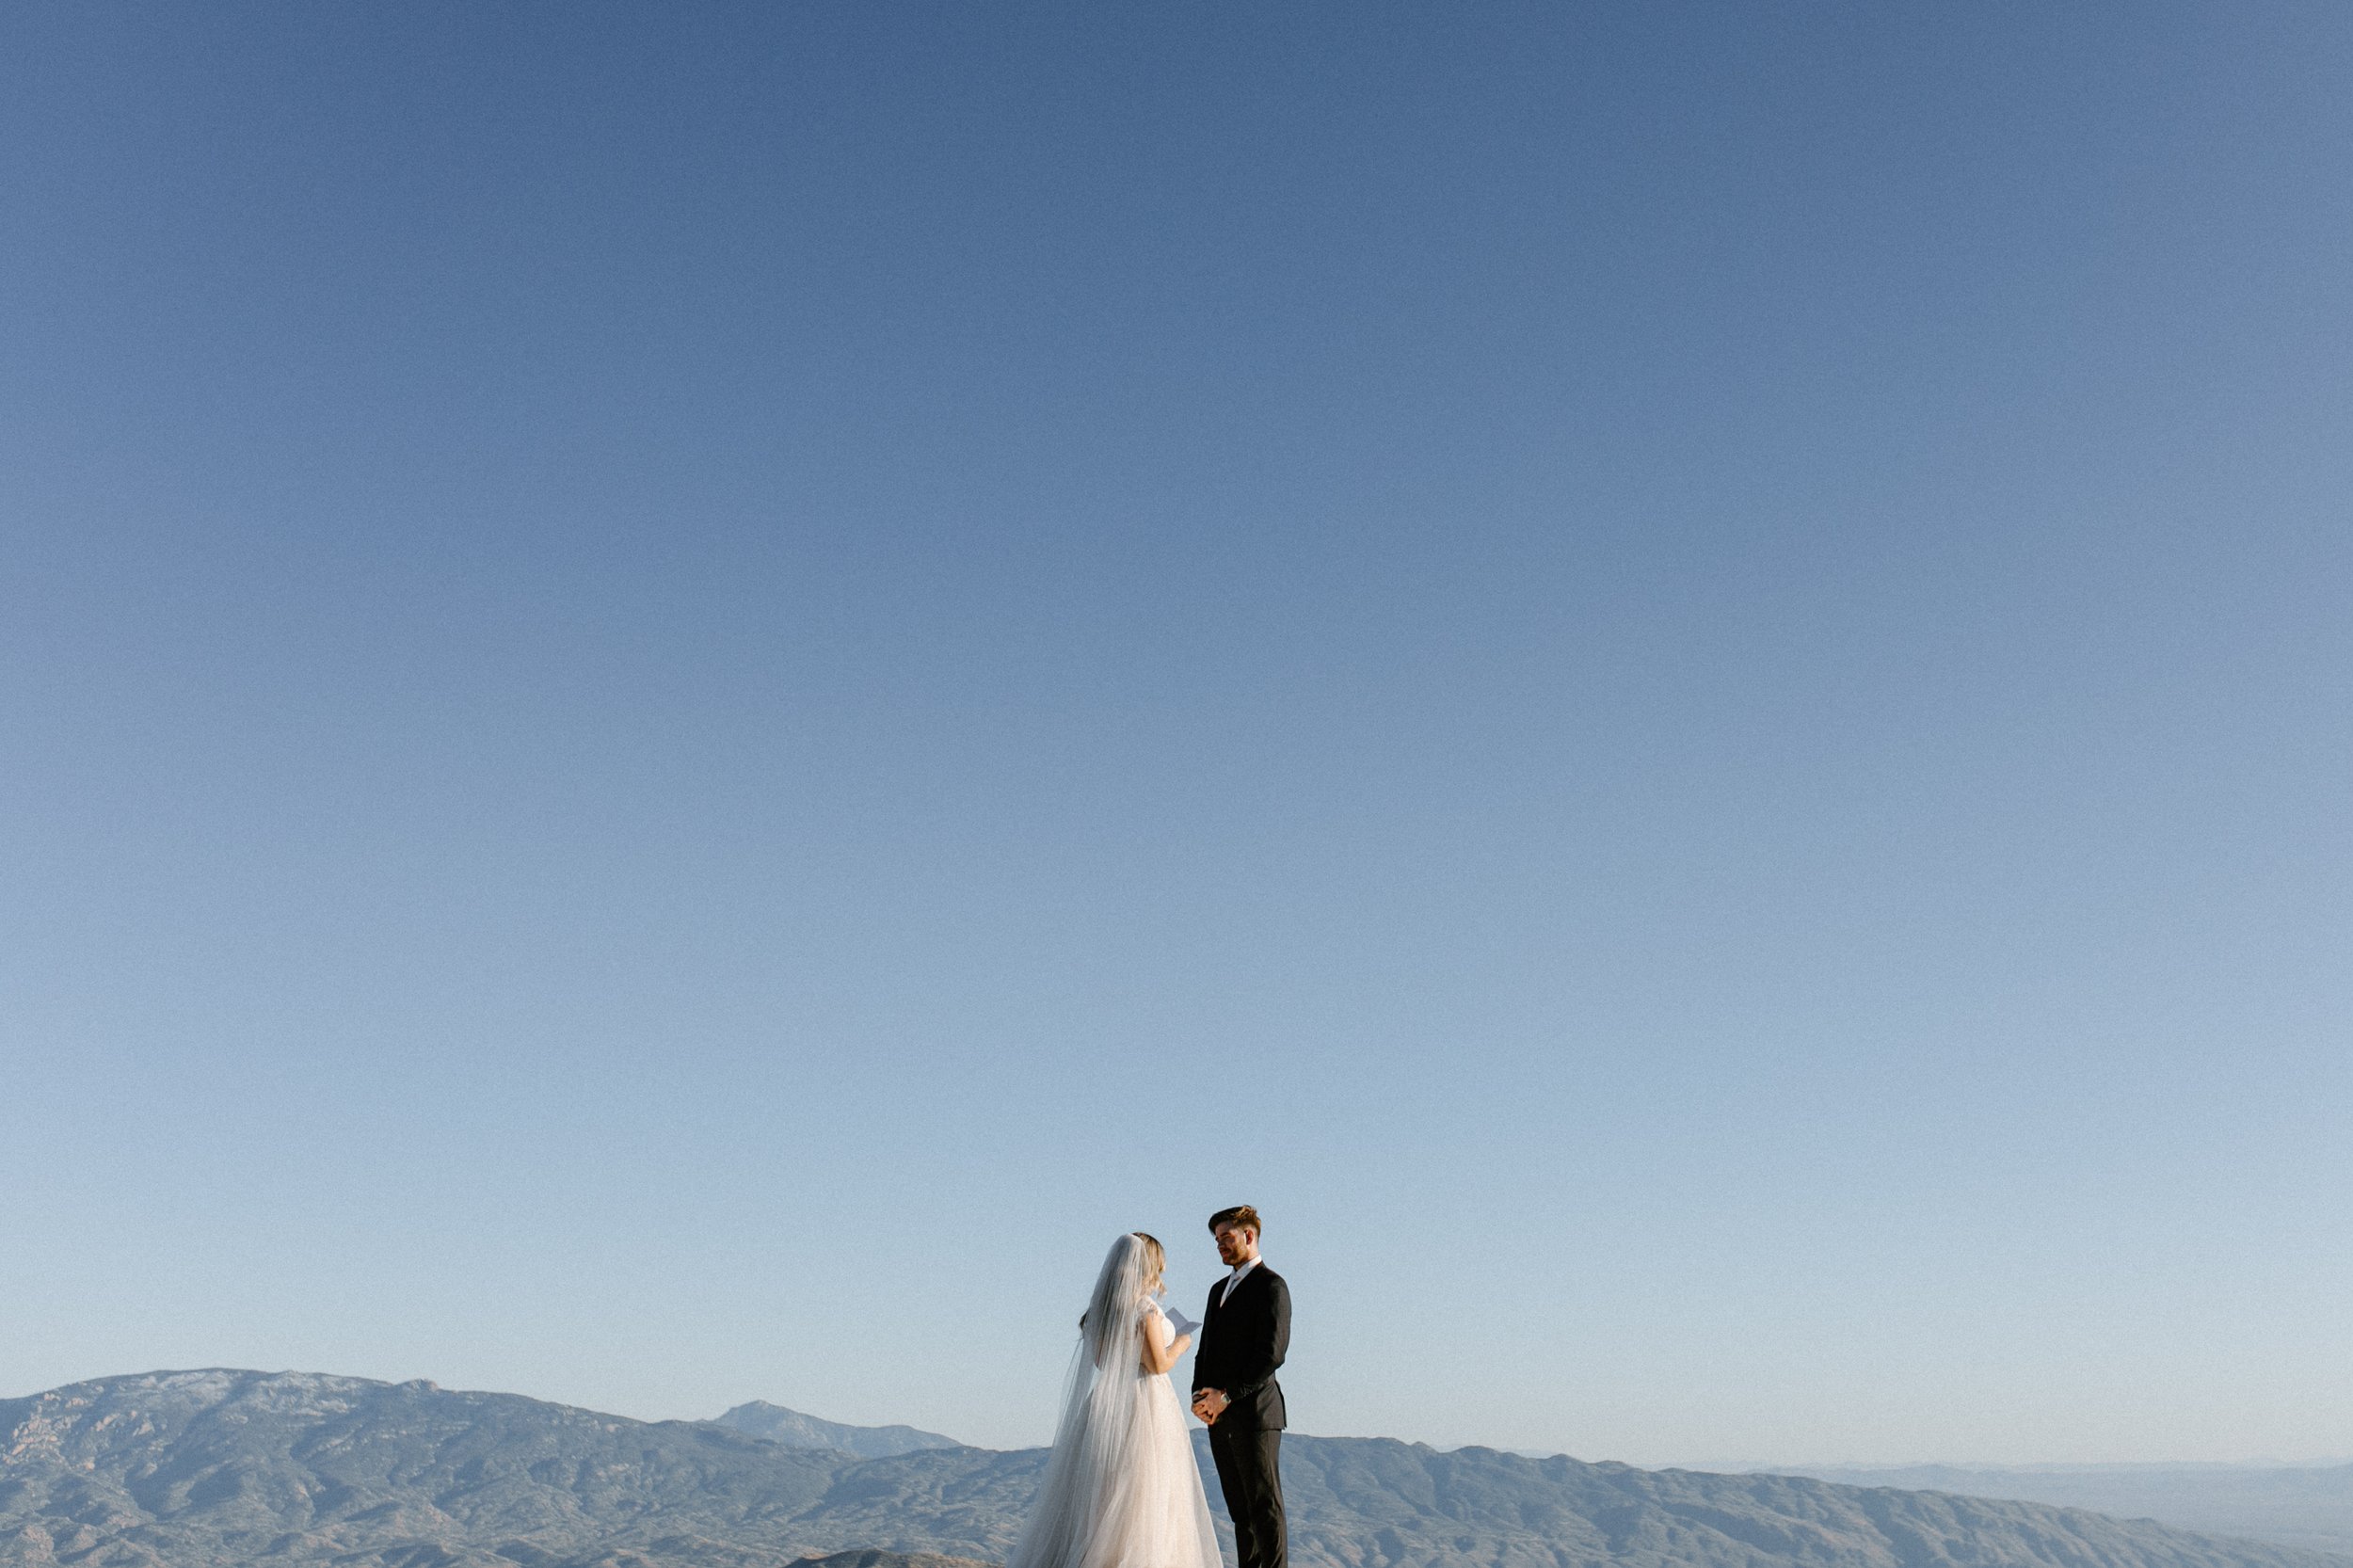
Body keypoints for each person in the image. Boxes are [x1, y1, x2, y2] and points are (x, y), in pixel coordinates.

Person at [1004, 1233, 1224, 1568]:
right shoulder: (1145, 1309)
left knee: (1103, 1492)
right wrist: (1181, 1342)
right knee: (1144, 1492)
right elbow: (1157, 1364)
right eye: (1157, 1269)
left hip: (1106, 1403)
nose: (1158, 1278)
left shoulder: (1099, 1313)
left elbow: (1102, 1363)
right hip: (1144, 1402)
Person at [1190, 1207, 1289, 1568]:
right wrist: (1199, 1395)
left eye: (1226, 1238)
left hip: (1257, 1416)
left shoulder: (1272, 1286)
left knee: (1265, 1507)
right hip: (1219, 1417)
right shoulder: (1218, 1289)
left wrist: (1227, 1395)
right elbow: (1206, 1350)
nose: (1220, 1246)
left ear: (1249, 1236)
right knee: (1239, 1510)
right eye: (1217, 1240)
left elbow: (1271, 1354)